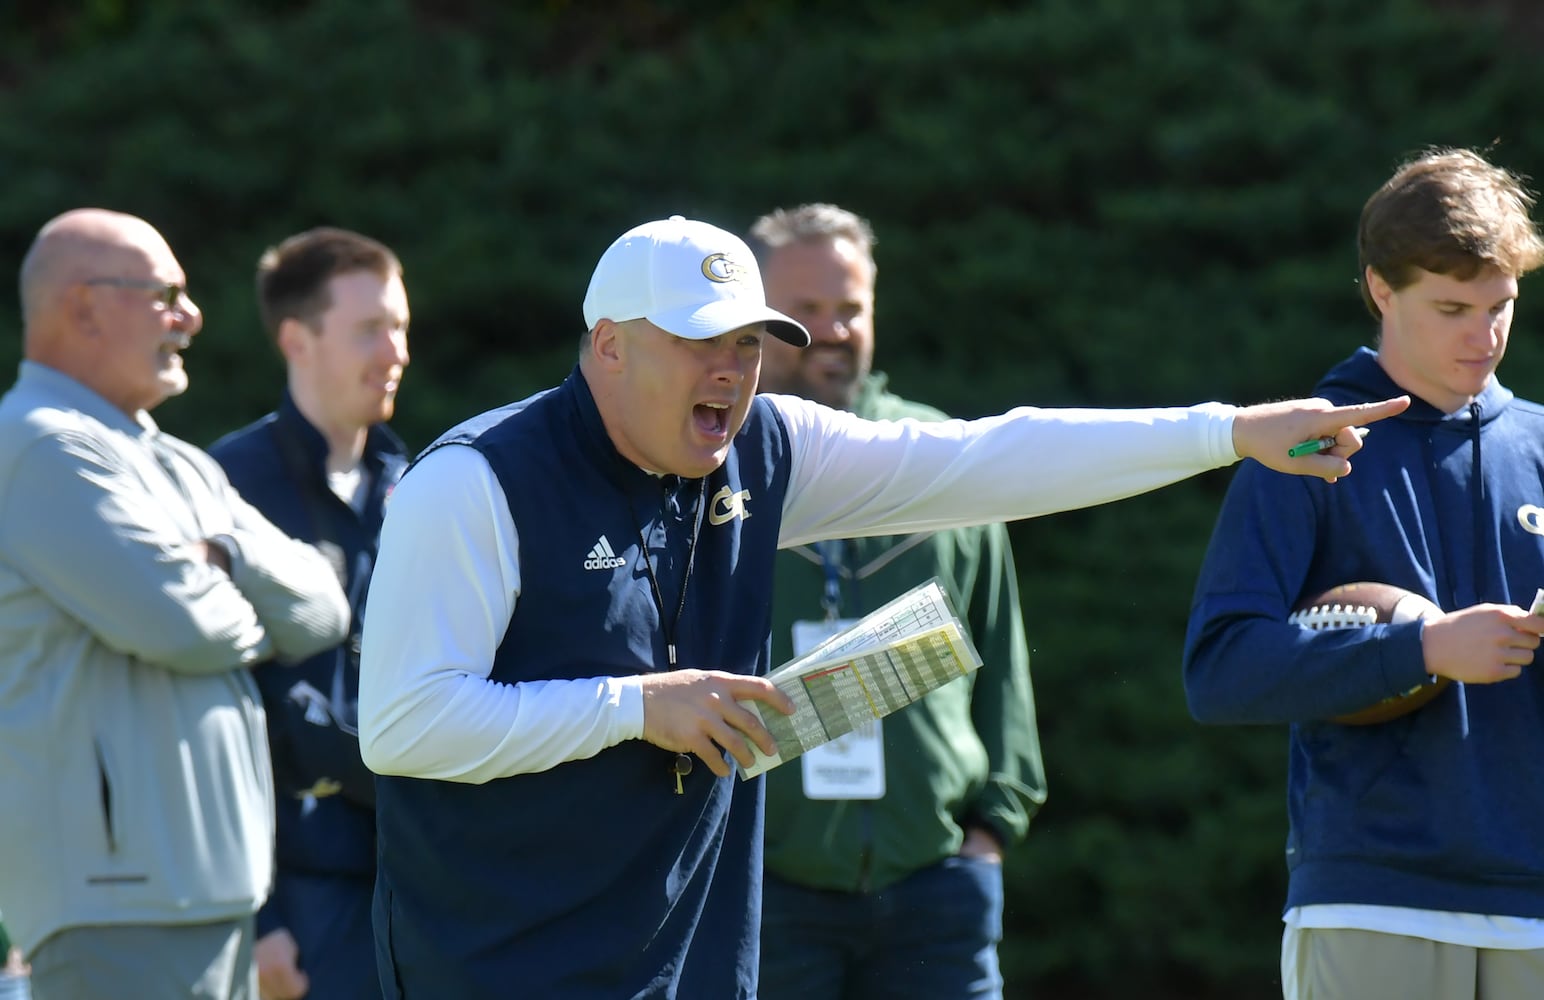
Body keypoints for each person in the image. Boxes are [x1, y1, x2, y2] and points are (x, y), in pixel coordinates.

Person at [357, 212, 1408, 1000]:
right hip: (493, 962)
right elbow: (403, 725)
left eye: (747, 343)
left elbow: (986, 457)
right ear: (607, 345)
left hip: (680, 960)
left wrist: (1226, 432)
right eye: (699, 341)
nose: (732, 369)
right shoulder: (474, 482)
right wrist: (637, 706)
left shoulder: (764, 445)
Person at [1183, 147, 1544, 1000]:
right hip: (1375, 904)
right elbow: (1220, 672)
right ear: (1382, 290)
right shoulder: (1301, 443)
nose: (1483, 336)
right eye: (1452, 307)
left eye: (1502, 307)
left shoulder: (1540, 446)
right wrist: (1420, 648)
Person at [0, 208, 351, 999]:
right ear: (83, 306)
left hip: (203, 889)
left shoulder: (178, 462)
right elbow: (185, 625)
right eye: (165, 294)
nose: (190, 318)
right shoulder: (44, 445)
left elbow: (323, 607)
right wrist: (237, 598)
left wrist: (216, 557)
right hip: (117, 903)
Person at [744, 203, 1039, 999]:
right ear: (755, 321)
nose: (832, 330)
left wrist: (990, 834)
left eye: (850, 309)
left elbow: (1001, 656)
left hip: (937, 888)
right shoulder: (711, 479)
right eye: (804, 312)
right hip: (767, 894)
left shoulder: (943, 459)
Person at [210, 227, 411, 1000]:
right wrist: (258, 922)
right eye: (370, 329)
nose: (395, 350)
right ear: (296, 338)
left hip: (409, 875)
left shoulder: (417, 482)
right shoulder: (226, 485)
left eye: (400, 326)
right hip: (292, 895)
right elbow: (212, 709)